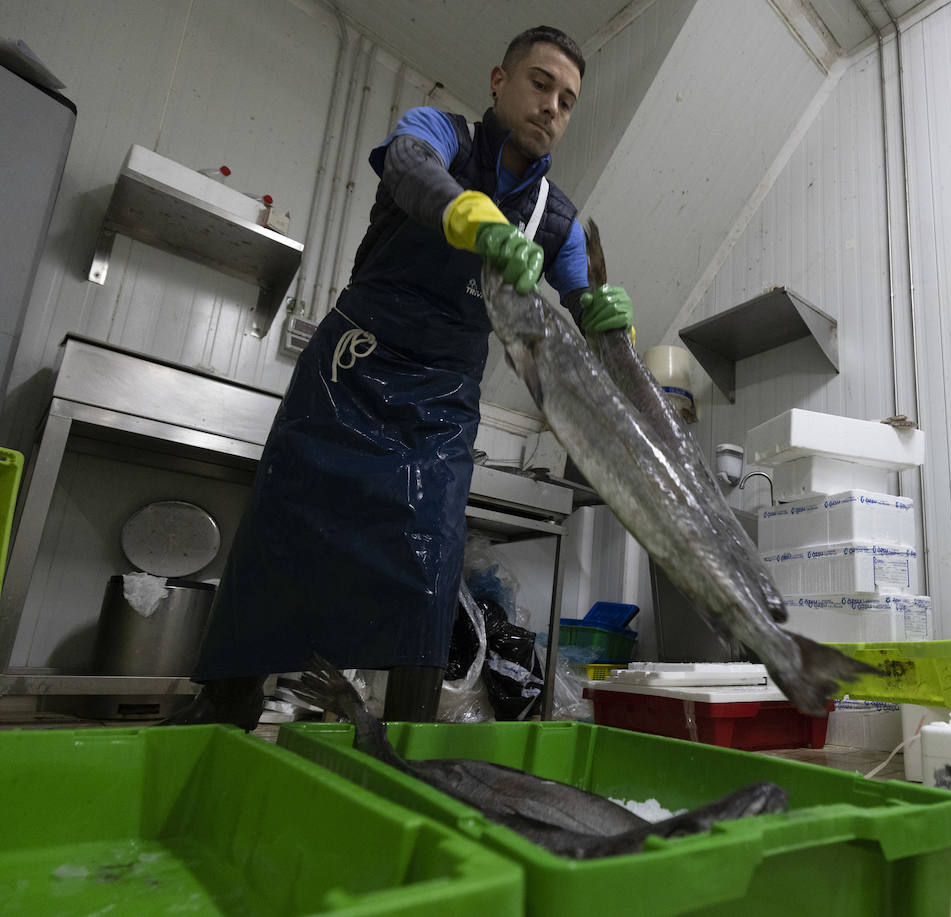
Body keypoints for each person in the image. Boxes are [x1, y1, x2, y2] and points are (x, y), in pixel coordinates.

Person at [165, 25, 634, 729]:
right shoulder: (439, 132)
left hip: (441, 401)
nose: (552, 108)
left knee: (430, 562)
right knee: (283, 530)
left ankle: (404, 738)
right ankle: (224, 708)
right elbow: (411, 168)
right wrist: (469, 214)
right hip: (351, 364)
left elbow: (584, 313)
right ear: (500, 81)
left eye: (567, 101)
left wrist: (610, 324)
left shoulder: (556, 221)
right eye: (541, 84)